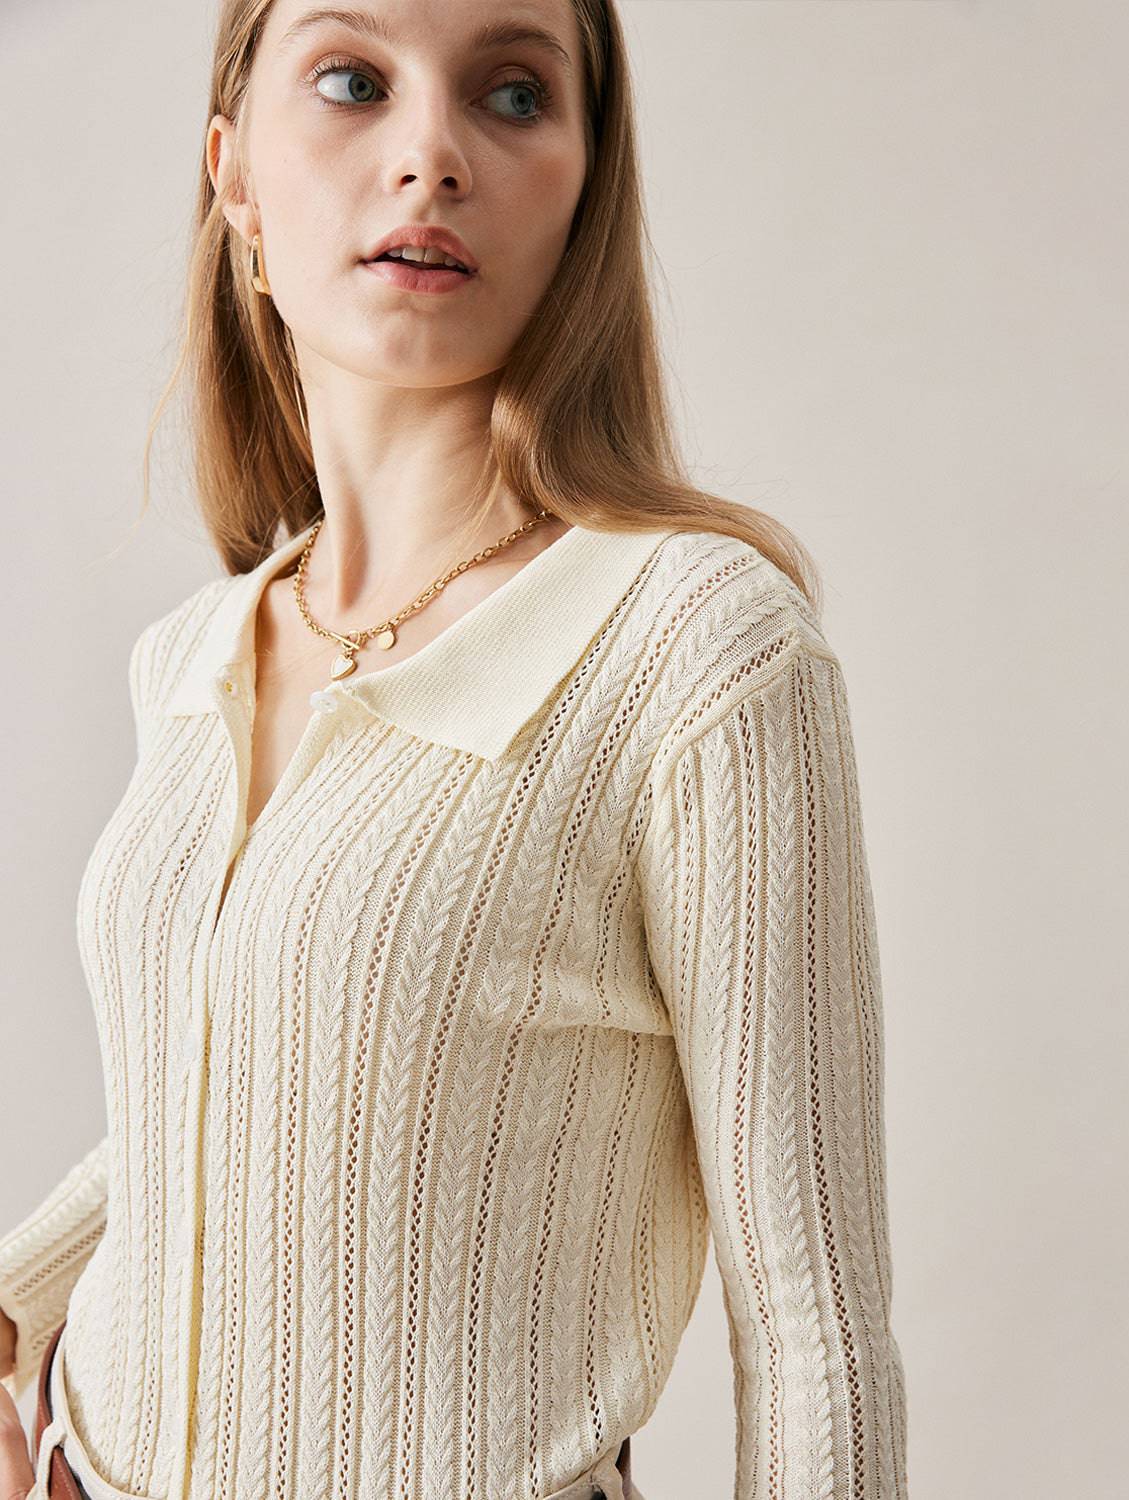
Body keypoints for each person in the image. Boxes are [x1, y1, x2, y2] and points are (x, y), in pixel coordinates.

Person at [0, 2, 908, 1497]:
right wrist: (17, 1301)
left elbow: (813, 1324)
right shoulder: (192, 653)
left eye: (512, 93)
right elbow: (250, 1083)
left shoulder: (697, 649)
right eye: (352, 80)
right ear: (235, 175)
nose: (431, 154)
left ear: (586, 182)